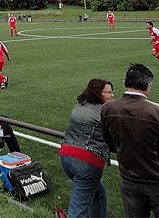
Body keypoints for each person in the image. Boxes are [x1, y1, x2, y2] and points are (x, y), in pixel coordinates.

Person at [101, 63, 159, 218]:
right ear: (148, 86)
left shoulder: (108, 108)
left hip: (129, 178)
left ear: (125, 82)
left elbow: (109, 141)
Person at [59, 79, 114, 218]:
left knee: (98, 194)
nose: (112, 95)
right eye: (109, 92)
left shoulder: (79, 105)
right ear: (98, 93)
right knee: (78, 209)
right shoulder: (104, 112)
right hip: (87, 161)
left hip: (66, 156)